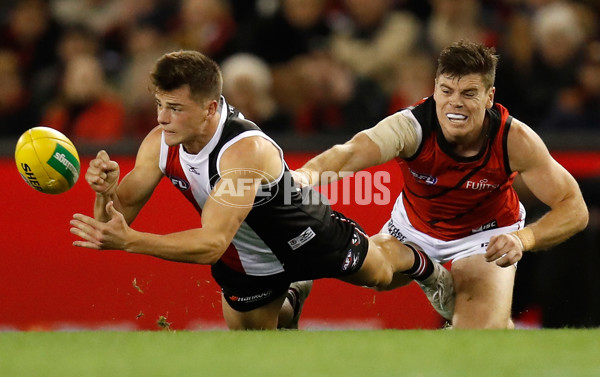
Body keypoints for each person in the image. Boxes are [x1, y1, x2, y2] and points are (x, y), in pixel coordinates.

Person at [69, 50, 455, 330]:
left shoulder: (244, 151)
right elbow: (117, 218)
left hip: (302, 231)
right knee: (257, 337)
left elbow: (211, 243)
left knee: (380, 275)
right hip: (250, 256)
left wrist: (132, 241)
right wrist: (105, 193)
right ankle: (292, 293)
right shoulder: (160, 141)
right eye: (159, 104)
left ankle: (427, 266)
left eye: (174, 107)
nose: (161, 118)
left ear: (209, 109)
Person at [294, 40, 589, 329]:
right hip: (412, 228)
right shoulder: (410, 127)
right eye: (446, 91)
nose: (455, 102)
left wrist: (523, 240)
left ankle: (492, 321)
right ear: (435, 88)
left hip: (485, 235)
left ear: (489, 97)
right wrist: (303, 177)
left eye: (469, 93)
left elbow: (574, 209)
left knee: (479, 335)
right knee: (370, 272)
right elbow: (350, 154)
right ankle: (424, 272)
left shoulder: (515, 140)